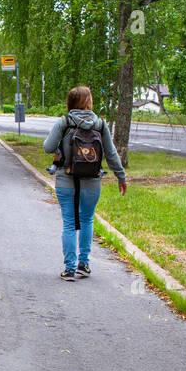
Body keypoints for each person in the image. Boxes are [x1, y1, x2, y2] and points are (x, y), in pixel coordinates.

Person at [42, 87, 127, 280]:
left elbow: (47, 148)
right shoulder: (100, 125)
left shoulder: (64, 122)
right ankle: (84, 264)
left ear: (70, 102)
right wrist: (121, 177)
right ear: (89, 103)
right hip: (92, 181)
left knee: (70, 223)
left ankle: (69, 269)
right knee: (88, 220)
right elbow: (111, 155)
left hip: (66, 180)